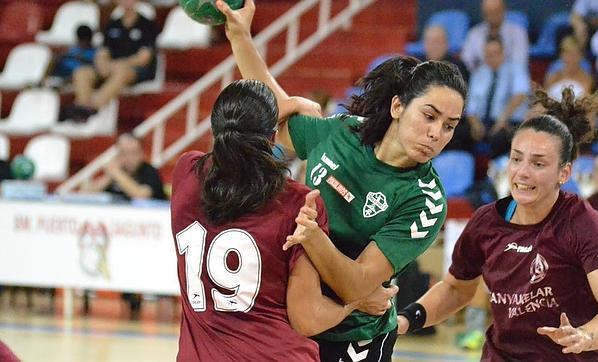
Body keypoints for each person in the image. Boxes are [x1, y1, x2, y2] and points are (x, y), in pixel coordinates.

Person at [216, 1, 467, 360]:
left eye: (449, 126)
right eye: (429, 116)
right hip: (291, 320)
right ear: (398, 107)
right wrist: (241, 36)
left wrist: (315, 242)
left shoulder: (425, 200)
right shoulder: (345, 132)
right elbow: (278, 110)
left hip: (353, 340)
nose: (436, 134)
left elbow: (356, 283)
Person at [397, 87, 598, 360]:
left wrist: (586, 335)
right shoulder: (486, 222)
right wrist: (407, 319)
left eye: (538, 163)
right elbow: (455, 289)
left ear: (564, 172)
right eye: (517, 158)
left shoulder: (583, 224)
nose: (523, 172)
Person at [171, 79, 395, 361]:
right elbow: (308, 319)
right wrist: (357, 301)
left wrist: (295, 104)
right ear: (273, 137)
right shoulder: (298, 203)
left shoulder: (186, 174)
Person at [84, 132, 166, 318]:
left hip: (148, 243)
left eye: (132, 152)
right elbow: (87, 193)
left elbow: (141, 194)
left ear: (142, 153)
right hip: (116, 240)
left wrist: (116, 173)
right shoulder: (114, 173)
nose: (128, 158)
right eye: (123, 153)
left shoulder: (149, 172)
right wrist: (109, 175)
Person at [66, 0, 158, 122]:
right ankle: (81, 106)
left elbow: (143, 58)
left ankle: (94, 107)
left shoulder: (147, 25)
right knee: (82, 72)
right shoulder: (112, 24)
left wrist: (118, 65)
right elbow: (103, 51)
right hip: (111, 66)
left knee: (121, 73)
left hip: (136, 69)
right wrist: (103, 63)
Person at [466, 35, 530, 159]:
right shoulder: (478, 74)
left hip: (509, 122)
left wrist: (502, 120)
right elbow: (471, 106)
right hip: (484, 122)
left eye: (494, 53)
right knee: (457, 133)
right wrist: (475, 124)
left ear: (503, 52)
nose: (491, 58)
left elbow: (520, 95)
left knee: (500, 137)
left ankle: (495, 175)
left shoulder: (516, 69)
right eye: (488, 54)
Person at [460, 0, 529, 72]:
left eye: (496, 11)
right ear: (483, 13)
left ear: (504, 10)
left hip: (510, 79)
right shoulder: (474, 33)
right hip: (480, 78)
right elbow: (466, 62)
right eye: (488, 12)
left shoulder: (518, 33)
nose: (492, 15)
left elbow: (519, 64)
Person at [544, 36, 593, 101]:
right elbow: (545, 102)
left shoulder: (588, 80)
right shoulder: (552, 78)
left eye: (574, 55)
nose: (571, 59)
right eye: (567, 54)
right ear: (561, 55)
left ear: (581, 56)